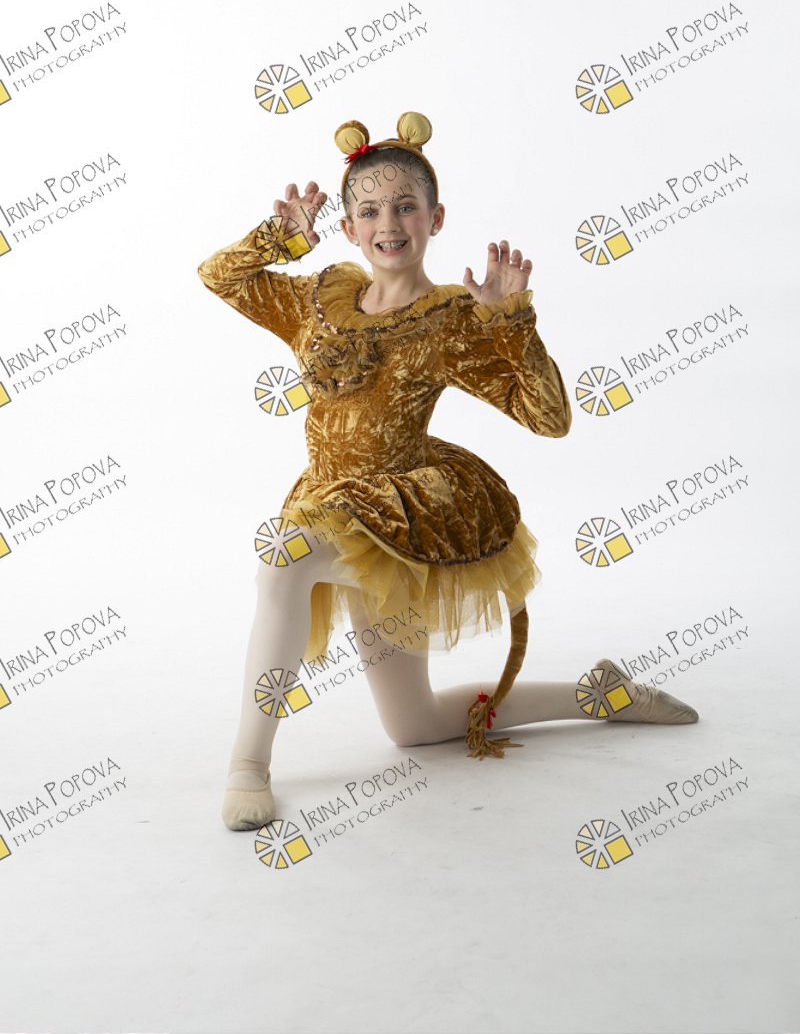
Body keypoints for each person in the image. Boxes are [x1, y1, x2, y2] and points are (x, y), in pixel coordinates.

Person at [197, 110, 699, 832]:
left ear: (436, 218)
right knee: (418, 726)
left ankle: (248, 763)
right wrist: (280, 237)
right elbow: (216, 275)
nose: (389, 223)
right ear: (347, 227)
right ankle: (598, 693)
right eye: (370, 210)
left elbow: (550, 417)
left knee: (284, 557)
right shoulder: (316, 299)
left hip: (401, 514)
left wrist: (512, 322)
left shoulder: (451, 318)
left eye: (406, 206)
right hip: (329, 500)